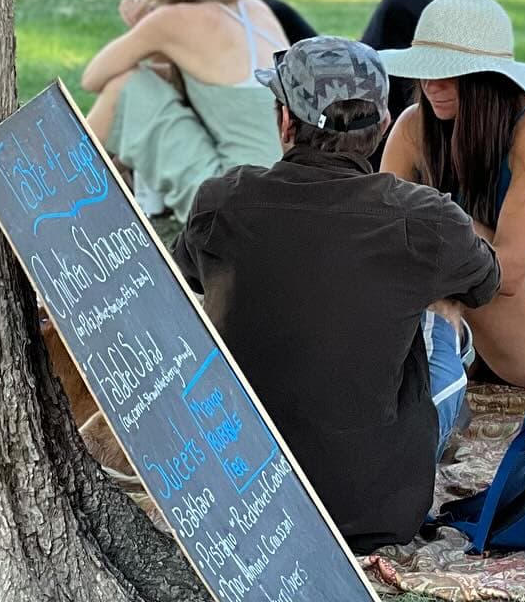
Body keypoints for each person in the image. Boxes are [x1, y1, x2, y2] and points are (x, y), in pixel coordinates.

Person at [173, 37, 501, 553]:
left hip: (237, 497)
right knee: (443, 316)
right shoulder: (424, 218)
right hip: (373, 509)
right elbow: (485, 283)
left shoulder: (222, 201)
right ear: (384, 126)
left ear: (285, 123)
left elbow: (189, 271)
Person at [380, 0, 525, 389]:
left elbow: (508, 272)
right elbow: (380, 234)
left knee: (438, 228)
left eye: (448, 71)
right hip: (482, 309)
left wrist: (441, 289)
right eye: (425, 68)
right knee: (399, 234)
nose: (431, 84)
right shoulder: (414, 126)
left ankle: (446, 348)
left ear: (488, 79)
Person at [81, 0, 290, 221]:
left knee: (125, 84)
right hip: (284, 191)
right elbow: (212, 89)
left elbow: (93, 78)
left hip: (232, 201)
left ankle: (66, 186)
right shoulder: (258, 11)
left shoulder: (173, 18)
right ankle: (100, 188)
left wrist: (144, 30)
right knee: (149, 81)